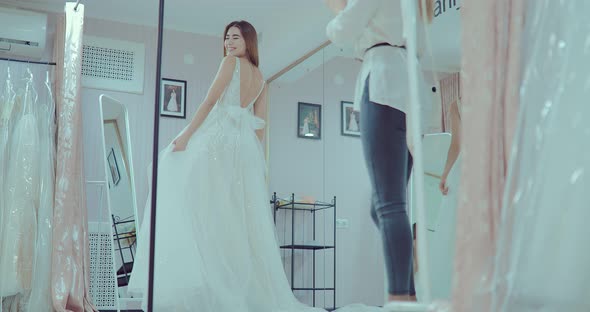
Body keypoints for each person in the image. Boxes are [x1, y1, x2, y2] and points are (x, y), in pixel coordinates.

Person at [127, 20, 327, 312]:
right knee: (231, 218)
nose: (229, 43)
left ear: (248, 41)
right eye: (226, 38)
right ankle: (222, 285)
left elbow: (209, 102)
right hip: (242, 148)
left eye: (235, 37)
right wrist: (255, 161)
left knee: (178, 183)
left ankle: (199, 284)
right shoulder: (260, 78)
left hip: (218, 142)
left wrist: (184, 137)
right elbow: (260, 128)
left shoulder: (230, 64)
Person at [325, 0, 433, 303]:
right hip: (413, 89)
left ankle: (399, 300)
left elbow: (340, 31)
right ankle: (408, 294)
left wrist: (338, 9)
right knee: (385, 206)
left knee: (389, 206)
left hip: (384, 81)